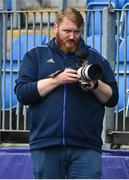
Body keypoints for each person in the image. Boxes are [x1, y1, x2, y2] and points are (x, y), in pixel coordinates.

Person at [14, 8, 118, 179]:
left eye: (77, 32)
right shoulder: (36, 55)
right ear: (55, 28)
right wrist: (56, 80)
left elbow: (113, 98)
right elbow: (22, 93)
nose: (72, 36)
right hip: (46, 144)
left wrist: (95, 85)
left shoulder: (94, 57)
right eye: (67, 31)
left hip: (86, 147)